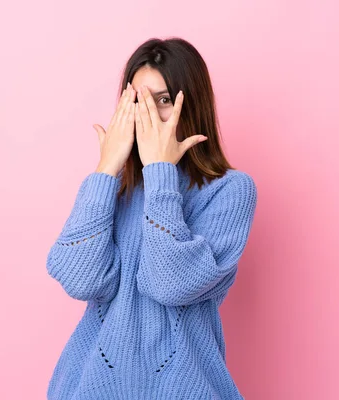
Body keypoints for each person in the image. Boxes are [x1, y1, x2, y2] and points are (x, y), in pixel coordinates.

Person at [46, 37, 257, 399]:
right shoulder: (113, 188)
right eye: (136, 100)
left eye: (161, 100)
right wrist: (105, 169)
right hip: (89, 387)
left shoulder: (231, 191)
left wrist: (161, 171)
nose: (146, 114)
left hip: (185, 388)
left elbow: (170, 284)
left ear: (190, 103)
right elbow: (79, 280)